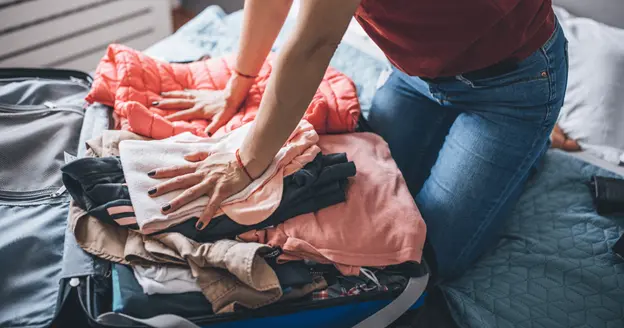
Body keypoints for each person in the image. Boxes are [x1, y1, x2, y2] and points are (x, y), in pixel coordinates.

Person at [146, 0, 568, 280]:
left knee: (426, 260)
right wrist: (239, 82)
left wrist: (243, 163)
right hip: (416, 75)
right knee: (365, 199)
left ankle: (531, 143)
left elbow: (313, 44)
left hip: (510, 86)